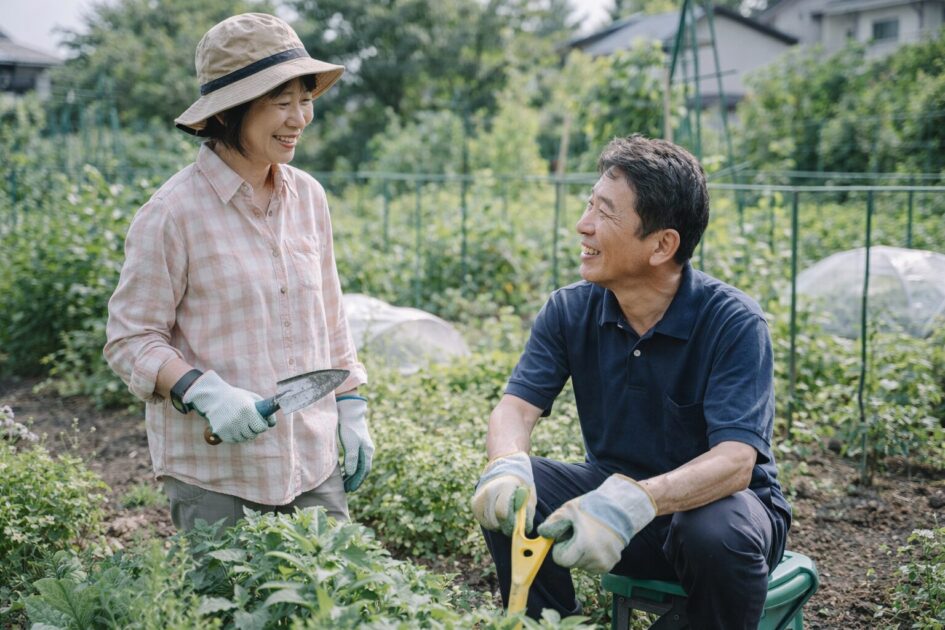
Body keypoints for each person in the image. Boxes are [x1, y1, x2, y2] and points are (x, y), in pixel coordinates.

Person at [471, 135, 791, 629]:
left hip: (722, 522)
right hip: (611, 510)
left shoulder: (732, 321)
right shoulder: (570, 309)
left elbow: (735, 464)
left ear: (662, 244)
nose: (583, 225)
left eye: (606, 213)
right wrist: (507, 463)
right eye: (589, 204)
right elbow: (516, 408)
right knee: (517, 496)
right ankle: (551, 623)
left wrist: (637, 500)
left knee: (710, 530)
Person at [104, 13, 372, 531]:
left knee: (330, 608)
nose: (300, 118)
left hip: (314, 465)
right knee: (232, 611)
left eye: (306, 100)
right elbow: (130, 338)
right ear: (231, 111)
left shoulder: (308, 197)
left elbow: (331, 318)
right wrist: (205, 392)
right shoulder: (172, 213)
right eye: (280, 103)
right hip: (220, 478)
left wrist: (352, 404)